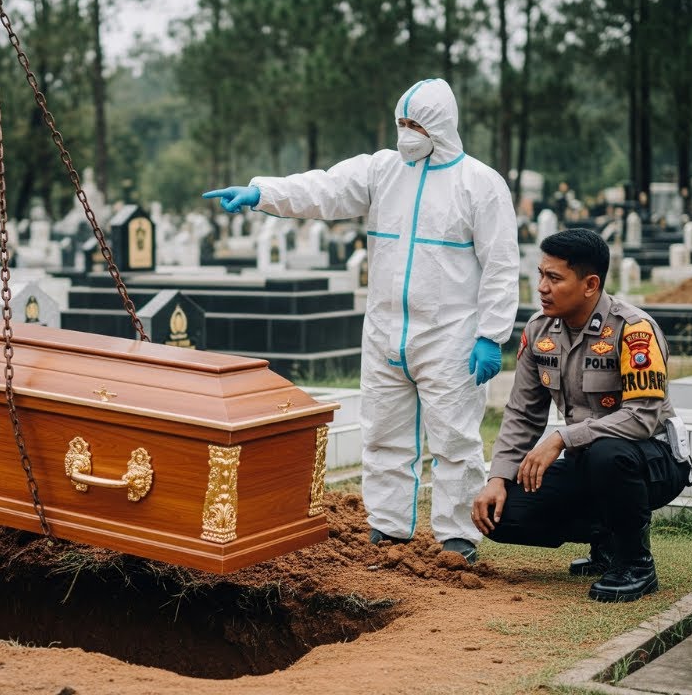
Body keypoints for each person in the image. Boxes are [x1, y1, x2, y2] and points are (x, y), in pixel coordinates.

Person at [203, 78, 519, 564]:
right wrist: (261, 192)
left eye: (415, 125)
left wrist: (490, 335)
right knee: (382, 433)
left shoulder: (479, 184)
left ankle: (457, 538)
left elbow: (500, 265)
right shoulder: (382, 171)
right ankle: (388, 529)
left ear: (440, 127)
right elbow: (323, 188)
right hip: (385, 331)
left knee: (454, 439)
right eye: (401, 123)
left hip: (450, 337)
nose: (406, 133)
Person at [471, 228, 692, 602]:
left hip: (652, 460)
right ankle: (606, 539)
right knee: (502, 514)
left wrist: (561, 438)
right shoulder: (539, 332)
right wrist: (498, 477)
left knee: (607, 453)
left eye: (554, 278)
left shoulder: (634, 330)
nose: (541, 287)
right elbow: (523, 415)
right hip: (589, 462)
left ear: (590, 284)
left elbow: (642, 417)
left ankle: (635, 564)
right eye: (540, 274)